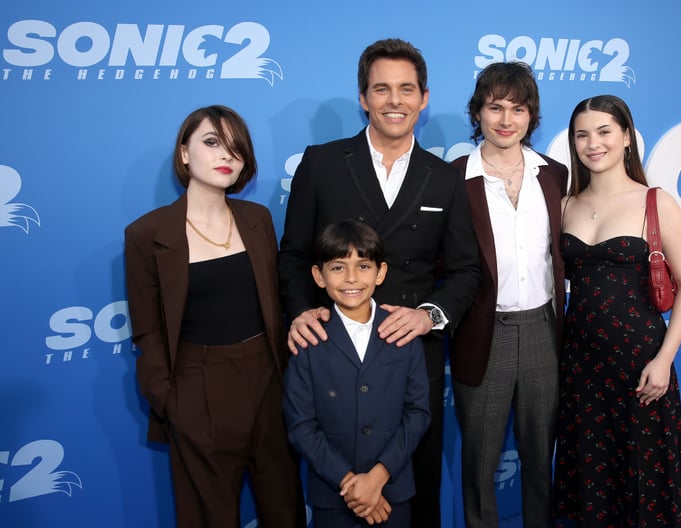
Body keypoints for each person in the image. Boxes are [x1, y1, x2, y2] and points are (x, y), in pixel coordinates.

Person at [278, 38, 481, 526]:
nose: (395, 100)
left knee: (420, 485)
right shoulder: (323, 163)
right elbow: (292, 255)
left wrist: (427, 316)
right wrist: (302, 312)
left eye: (407, 89)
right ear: (363, 97)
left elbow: (465, 270)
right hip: (331, 356)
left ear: (424, 98)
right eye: (382, 88)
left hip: (411, 352)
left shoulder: (444, 178)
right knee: (336, 479)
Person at [124, 105, 305, 527]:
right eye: (211, 143)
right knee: (208, 516)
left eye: (236, 149)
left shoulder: (257, 220)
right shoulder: (146, 235)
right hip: (196, 385)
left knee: (285, 509)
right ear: (184, 153)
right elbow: (147, 331)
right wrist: (173, 402)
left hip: (268, 380)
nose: (226, 155)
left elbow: (275, 304)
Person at [552, 95, 681, 527]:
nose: (592, 144)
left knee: (642, 475)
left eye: (604, 132)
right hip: (580, 364)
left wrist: (664, 360)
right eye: (582, 134)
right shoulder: (565, 205)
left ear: (627, 138)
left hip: (641, 365)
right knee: (592, 473)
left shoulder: (657, 203)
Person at [449, 61, 568, 528]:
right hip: (483, 333)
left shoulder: (554, 174)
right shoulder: (452, 177)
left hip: (544, 332)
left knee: (541, 457)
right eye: (494, 107)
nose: (505, 119)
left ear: (531, 116)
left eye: (517, 109)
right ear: (477, 112)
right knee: (480, 463)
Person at [283, 220, 431, 527]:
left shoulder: (402, 331)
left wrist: (378, 477)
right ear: (318, 276)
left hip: (393, 492)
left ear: (381, 272)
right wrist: (351, 482)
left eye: (363, 266)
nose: (352, 278)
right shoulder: (309, 338)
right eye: (338, 268)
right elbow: (301, 426)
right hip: (334, 494)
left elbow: (417, 412)